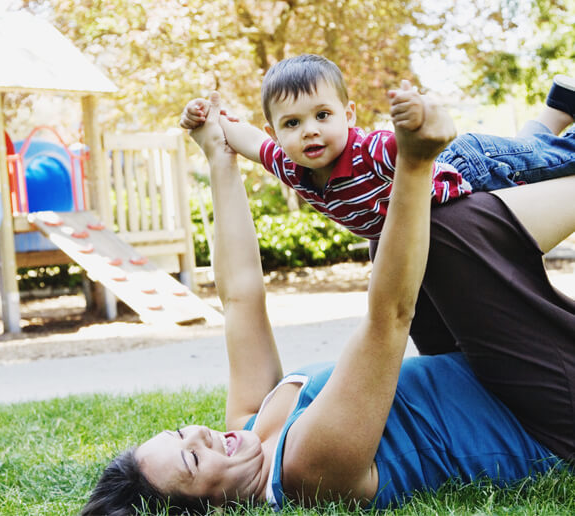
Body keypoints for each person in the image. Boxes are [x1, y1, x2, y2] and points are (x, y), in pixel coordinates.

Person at [81, 91, 575, 514]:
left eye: (179, 433)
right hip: (549, 418)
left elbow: (239, 297)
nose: (200, 436)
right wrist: (415, 162)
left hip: (489, 373)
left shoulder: (247, 426)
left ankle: (546, 130)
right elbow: (389, 319)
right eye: (191, 460)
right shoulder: (307, 472)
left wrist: (219, 158)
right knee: (440, 230)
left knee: (415, 226)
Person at [181, 54, 575, 239]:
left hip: (474, 167)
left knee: (556, 161)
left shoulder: (370, 150)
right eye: (292, 123)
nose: (309, 132)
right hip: (458, 186)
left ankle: (559, 123)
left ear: (348, 115)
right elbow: (247, 139)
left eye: (322, 115)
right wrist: (207, 118)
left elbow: (414, 144)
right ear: (275, 131)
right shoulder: (288, 163)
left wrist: (415, 114)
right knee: (536, 153)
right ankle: (559, 107)